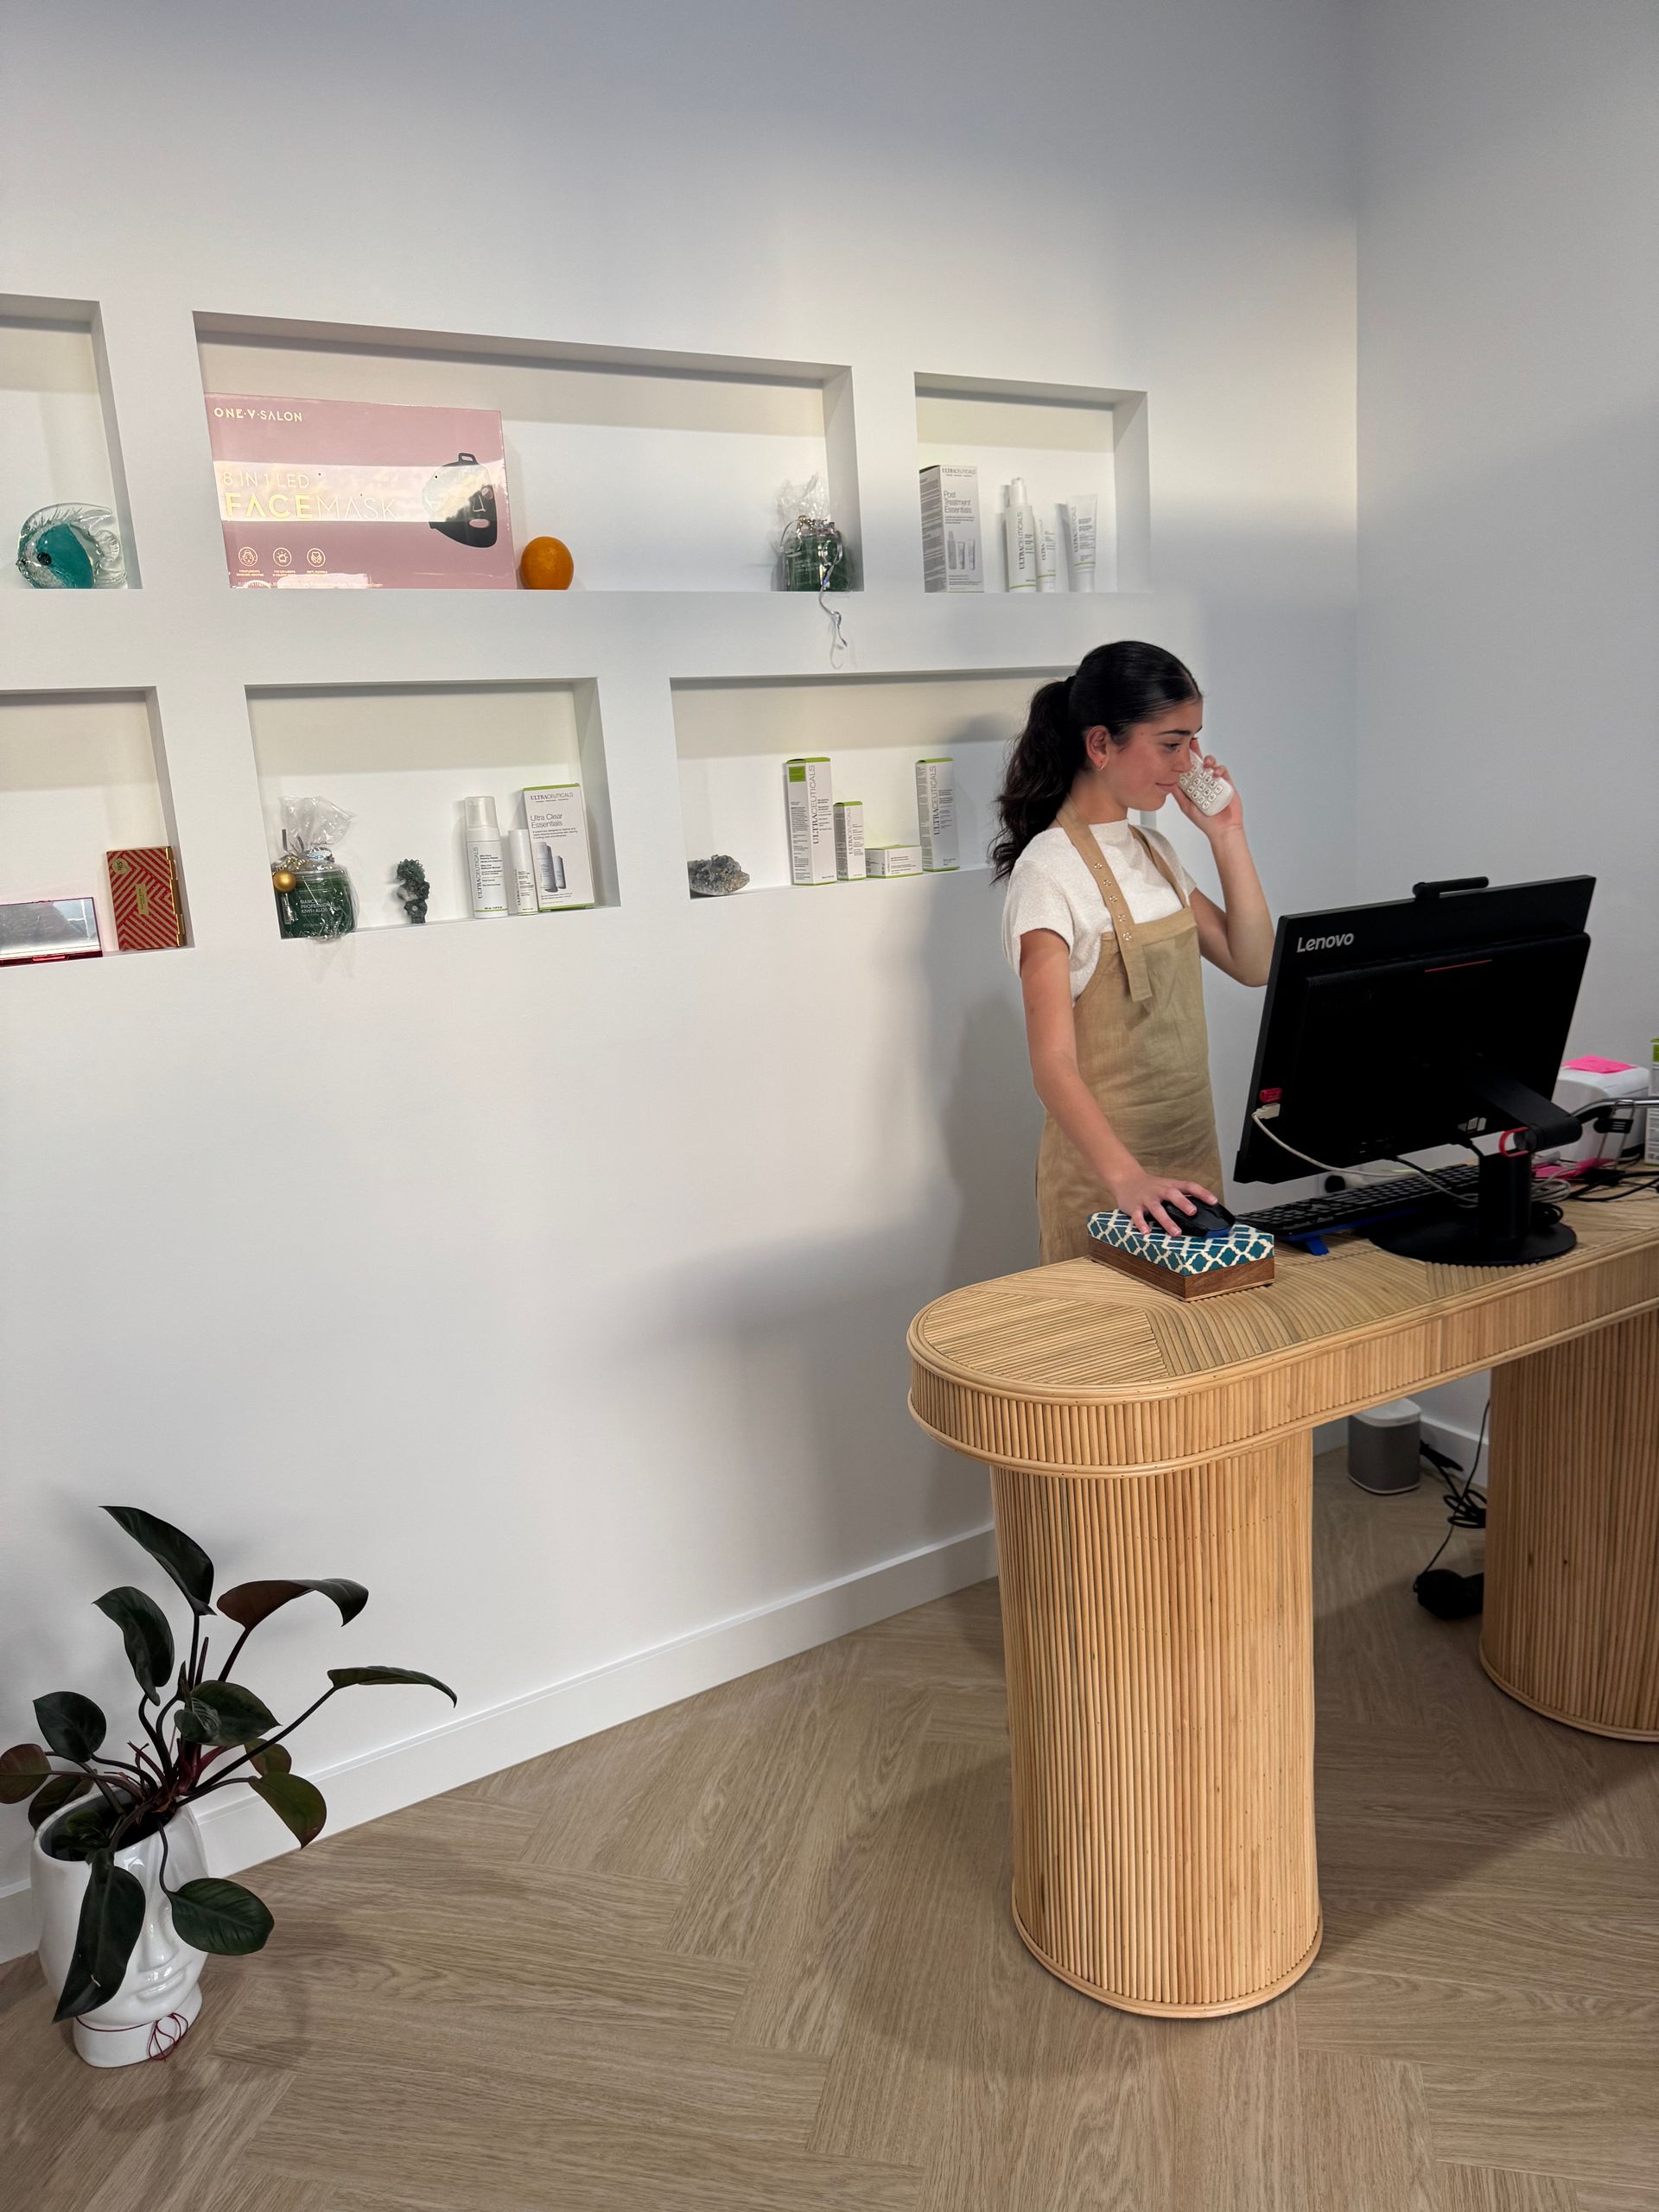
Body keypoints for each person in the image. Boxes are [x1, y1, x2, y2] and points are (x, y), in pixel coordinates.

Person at [993, 639, 1273, 1258]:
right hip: (1108, 1184)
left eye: (1195, 741)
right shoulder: (1046, 874)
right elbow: (1052, 1066)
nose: (1189, 761)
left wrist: (1229, 834)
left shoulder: (1156, 854)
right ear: (1100, 745)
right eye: (1172, 743)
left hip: (1188, 1167)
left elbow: (1254, 965)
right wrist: (1128, 1178)